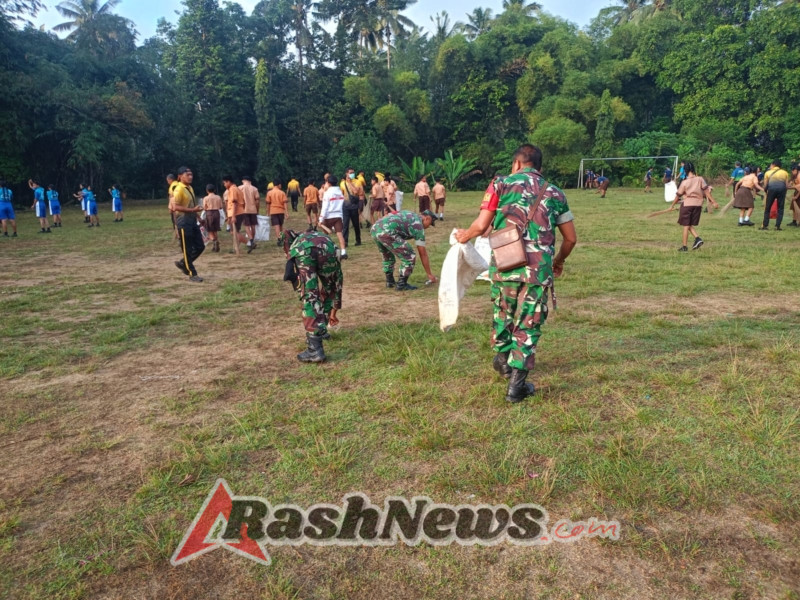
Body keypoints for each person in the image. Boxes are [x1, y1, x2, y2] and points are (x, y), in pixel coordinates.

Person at [455, 144, 577, 404]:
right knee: (529, 322)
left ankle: (503, 360)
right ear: (539, 167)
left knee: (503, 312)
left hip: (505, 263)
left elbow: (482, 225)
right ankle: (516, 387)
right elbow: (571, 239)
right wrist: (559, 261)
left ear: (517, 164)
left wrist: (465, 236)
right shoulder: (555, 192)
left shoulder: (499, 184)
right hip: (538, 270)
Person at [279, 228, 343, 363]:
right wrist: (334, 311)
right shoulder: (321, 235)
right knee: (330, 287)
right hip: (329, 248)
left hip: (305, 252)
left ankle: (315, 349)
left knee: (310, 296)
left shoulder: (297, 243)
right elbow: (337, 284)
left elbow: (292, 275)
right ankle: (322, 330)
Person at [370, 209, 438, 291]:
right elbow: (422, 253)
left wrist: (382, 225)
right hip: (387, 232)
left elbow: (390, 214)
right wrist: (429, 274)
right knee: (409, 256)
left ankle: (390, 281)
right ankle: (402, 284)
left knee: (387, 255)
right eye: (430, 224)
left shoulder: (409, 213)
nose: (428, 227)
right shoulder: (418, 226)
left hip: (375, 228)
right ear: (427, 218)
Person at [669, 161, 719, 251]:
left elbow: (678, 196)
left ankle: (685, 246)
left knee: (686, 225)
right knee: (689, 224)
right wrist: (714, 202)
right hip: (698, 205)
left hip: (687, 205)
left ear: (685, 170)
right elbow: (707, 192)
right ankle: (697, 239)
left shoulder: (684, 182)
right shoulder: (700, 179)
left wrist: (672, 205)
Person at [171, 166, 205, 282]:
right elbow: (175, 207)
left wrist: (199, 217)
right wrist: (192, 210)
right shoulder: (178, 189)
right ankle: (192, 274)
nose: (190, 177)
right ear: (180, 176)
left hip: (192, 221)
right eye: (187, 175)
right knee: (187, 249)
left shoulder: (190, 188)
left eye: (191, 175)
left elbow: (192, 206)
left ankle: (183, 263)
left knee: (200, 246)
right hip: (183, 222)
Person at [320, 174, 347, 259]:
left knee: (325, 236)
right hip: (338, 215)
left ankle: (327, 251)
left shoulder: (327, 193)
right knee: (340, 234)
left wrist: (321, 218)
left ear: (328, 183)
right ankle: (343, 252)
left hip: (328, 216)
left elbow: (325, 207)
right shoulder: (340, 192)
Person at [760, 159, 790, 231]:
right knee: (780, 208)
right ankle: (777, 226)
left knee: (768, 208)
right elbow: (786, 185)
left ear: (773, 164)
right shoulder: (785, 173)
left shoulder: (768, 173)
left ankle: (765, 225)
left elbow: (765, 185)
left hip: (771, 190)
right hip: (781, 190)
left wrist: (766, 191)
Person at [340, 168, 365, 247]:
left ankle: (358, 240)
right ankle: (345, 241)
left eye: (353, 172)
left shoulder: (357, 182)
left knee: (356, 224)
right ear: (346, 173)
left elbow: (356, 192)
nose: (352, 174)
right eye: (350, 173)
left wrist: (350, 183)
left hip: (354, 206)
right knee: (345, 225)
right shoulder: (342, 183)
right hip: (346, 206)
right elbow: (342, 194)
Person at [223, 175, 246, 255]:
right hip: (239, 212)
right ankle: (236, 248)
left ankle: (249, 243)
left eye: (224, 183)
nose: (224, 185)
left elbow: (234, 203)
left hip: (236, 213)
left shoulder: (233, 189)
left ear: (228, 182)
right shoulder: (237, 189)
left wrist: (233, 216)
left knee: (233, 232)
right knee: (236, 231)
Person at [239, 176, 260, 253]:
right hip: (253, 209)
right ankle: (252, 240)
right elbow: (257, 200)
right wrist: (257, 209)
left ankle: (251, 240)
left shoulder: (240, 188)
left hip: (244, 210)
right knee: (253, 226)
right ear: (250, 181)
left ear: (243, 180)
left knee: (247, 226)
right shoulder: (254, 189)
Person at [266, 178, 289, 243]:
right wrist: (286, 212)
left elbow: (268, 203)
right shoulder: (282, 193)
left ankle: (279, 239)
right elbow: (285, 203)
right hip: (281, 211)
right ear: (279, 185)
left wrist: (268, 212)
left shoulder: (269, 193)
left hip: (273, 211)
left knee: (276, 225)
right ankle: (281, 237)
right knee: (280, 225)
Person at [203, 183, 224, 252]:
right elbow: (221, 207)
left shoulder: (206, 198)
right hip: (217, 213)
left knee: (209, 230)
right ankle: (215, 246)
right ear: (214, 190)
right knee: (215, 230)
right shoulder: (218, 197)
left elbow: (204, 208)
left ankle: (214, 241)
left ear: (207, 190)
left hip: (209, 213)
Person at [167, 174, 179, 239]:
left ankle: (178, 234)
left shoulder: (172, 186)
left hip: (175, 207)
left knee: (175, 221)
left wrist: (170, 207)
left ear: (170, 179)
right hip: (181, 206)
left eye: (168, 180)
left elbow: (171, 198)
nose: (167, 182)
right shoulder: (179, 184)